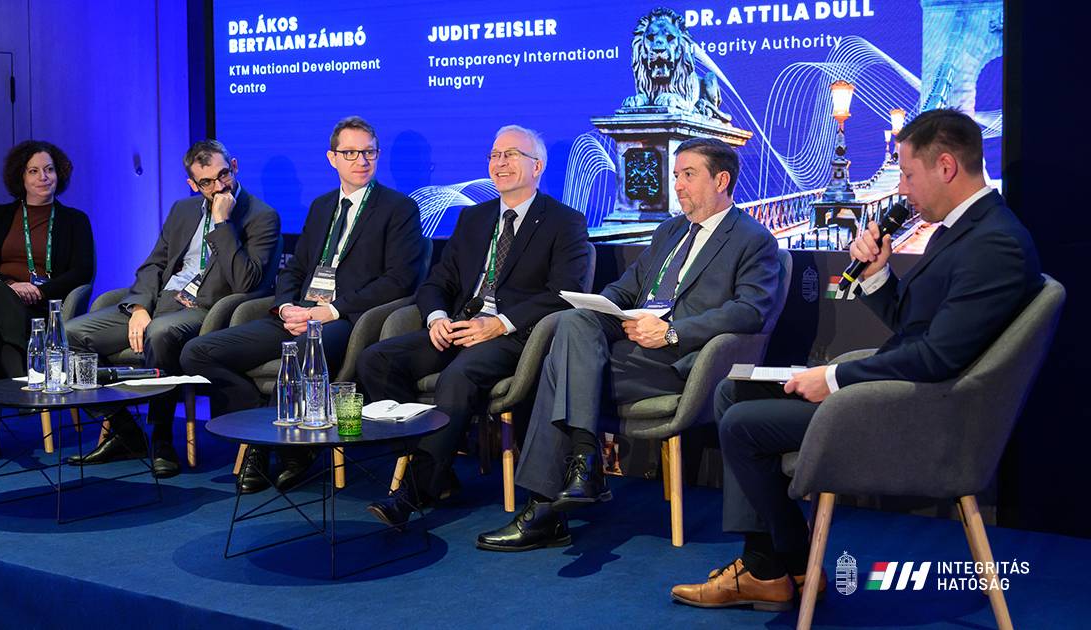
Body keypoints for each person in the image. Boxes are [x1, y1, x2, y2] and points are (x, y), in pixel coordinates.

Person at [671, 109, 1043, 611]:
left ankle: (772, 568)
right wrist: (877, 274)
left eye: (907, 174)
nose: (901, 189)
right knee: (732, 392)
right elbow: (915, 326)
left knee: (741, 425)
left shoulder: (994, 244)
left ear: (946, 167)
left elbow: (936, 358)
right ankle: (780, 567)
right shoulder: (962, 230)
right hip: (902, 389)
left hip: (924, 412)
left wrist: (835, 377)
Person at [476, 137, 783, 551]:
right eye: (676, 175)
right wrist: (603, 307)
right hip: (632, 347)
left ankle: (551, 503)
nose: (677, 185)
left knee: (557, 369)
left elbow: (750, 312)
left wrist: (671, 331)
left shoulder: (752, 238)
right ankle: (582, 464)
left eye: (688, 175)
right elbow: (626, 288)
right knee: (574, 322)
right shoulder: (670, 230)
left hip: (680, 360)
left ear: (721, 180)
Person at [181, 116, 428, 493]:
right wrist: (285, 307)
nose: (361, 160)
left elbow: (398, 281)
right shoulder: (321, 206)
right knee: (197, 353)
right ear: (333, 158)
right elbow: (294, 269)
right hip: (297, 314)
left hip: (344, 320)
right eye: (351, 153)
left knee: (299, 354)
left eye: (369, 152)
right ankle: (262, 426)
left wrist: (331, 310)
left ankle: (278, 450)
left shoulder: (399, 208)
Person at [360, 124, 591, 526]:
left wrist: (499, 324)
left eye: (511, 155)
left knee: (458, 376)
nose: (500, 163)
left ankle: (412, 492)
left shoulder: (563, 221)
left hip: (514, 336)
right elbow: (438, 281)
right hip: (458, 327)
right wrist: (436, 317)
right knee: (376, 361)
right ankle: (437, 469)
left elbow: (563, 293)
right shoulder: (473, 217)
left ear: (537, 166)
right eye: (494, 155)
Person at [65, 139, 280, 478]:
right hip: (158, 303)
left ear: (235, 166)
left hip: (206, 310)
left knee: (160, 333)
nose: (219, 186)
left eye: (223, 174)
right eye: (207, 182)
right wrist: (139, 306)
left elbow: (247, 283)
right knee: (70, 335)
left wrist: (222, 225)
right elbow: (154, 264)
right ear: (193, 184)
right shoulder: (183, 210)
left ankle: (161, 438)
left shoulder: (261, 216)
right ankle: (123, 428)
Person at [0, 141, 95, 465]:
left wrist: (39, 291)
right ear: (21, 177)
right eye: (34, 171)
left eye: (49, 170)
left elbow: (83, 271)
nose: (43, 177)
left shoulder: (75, 221)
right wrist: (12, 286)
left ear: (59, 174)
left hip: (35, 309)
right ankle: (24, 375)